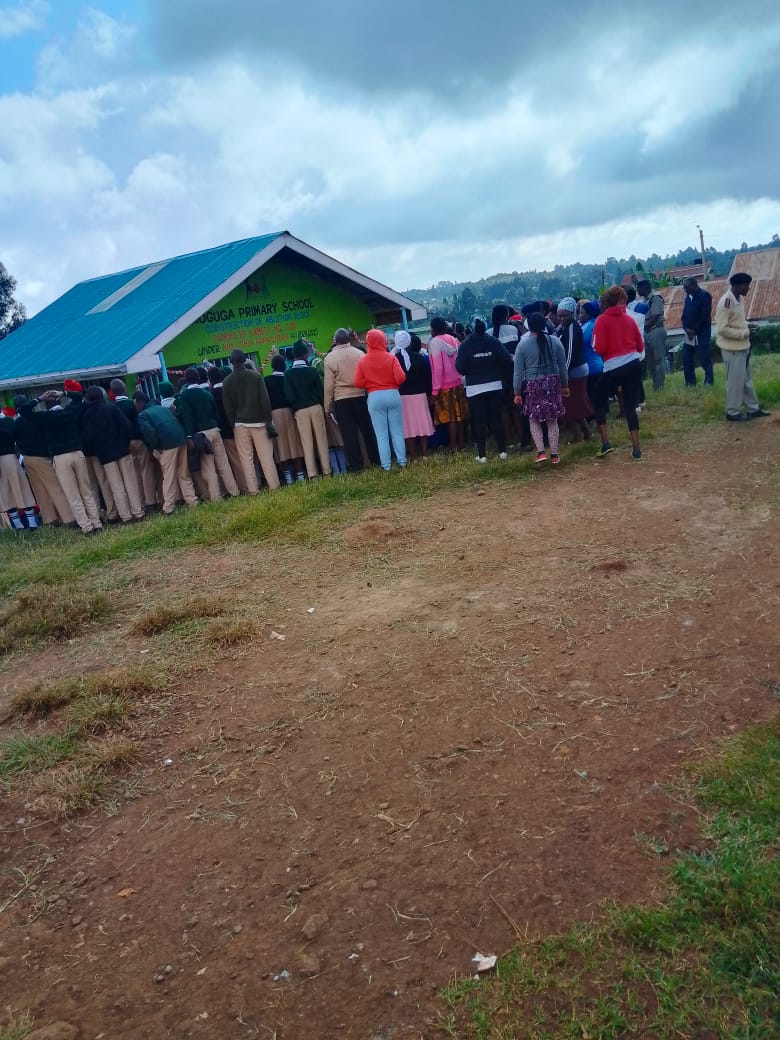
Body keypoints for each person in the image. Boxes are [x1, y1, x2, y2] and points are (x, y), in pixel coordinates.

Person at [591, 285, 645, 460]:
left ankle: (606, 443)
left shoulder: (601, 320)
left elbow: (599, 348)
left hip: (613, 367)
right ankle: (636, 449)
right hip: (633, 364)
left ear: (605, 302)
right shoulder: (629, 319)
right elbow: (640, 345)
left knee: (598, 400)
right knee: (630, 405)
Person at [39, 389, 102, 534]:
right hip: (77, 452)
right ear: (60, 401)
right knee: (86, 490)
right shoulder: (70, 412)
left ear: (45, 405)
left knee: (72, 494)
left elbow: (24, 411)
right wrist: (63, 393)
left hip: (60, 457)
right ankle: (96, 523)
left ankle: (86, 526)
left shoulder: (45, 418)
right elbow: (79, 397)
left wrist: (39, 398)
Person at [79, 386, 145, 523]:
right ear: (102, 396)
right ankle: (138, 512)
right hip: (122, 450)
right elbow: (127, 426)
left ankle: (125, 516)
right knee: (130, 482)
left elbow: (88, 437)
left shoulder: (87, 415)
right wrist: (124, 441)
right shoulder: (112, 408)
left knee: (116, 486)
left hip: (105, 455)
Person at [513, 313, 569, 465]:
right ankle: (554, 454)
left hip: (533, 384)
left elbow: (518, 372)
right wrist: (565, 385)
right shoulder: (555, 341)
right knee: (552, 419)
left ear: (528, 326)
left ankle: (540, 451)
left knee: (533, 418)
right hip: (553, 382)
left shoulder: (523, 345)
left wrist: (517, 392)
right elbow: (562, 367)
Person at [455, 315, 512, 463]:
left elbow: (460, 367)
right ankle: (502, 452)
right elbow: (506, 359)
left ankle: (482, 455)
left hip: (474, 388)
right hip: (494, 385)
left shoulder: (465, 345)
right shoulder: (493, 342)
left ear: (470, 328)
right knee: (496, 418)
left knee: (479, 421)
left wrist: (471, 369)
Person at [221, 348, 280, 492]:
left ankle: (253, 490)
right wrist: (268, 420)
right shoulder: (256, 376)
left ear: (231, 362)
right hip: (259, 422)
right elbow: (265, 401)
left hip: (240, 424)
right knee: (266, 457)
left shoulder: (227, 382)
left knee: (246, 459)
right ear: (245, 360)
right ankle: (274, 486)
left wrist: (233, 424)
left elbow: (228, 407)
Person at [176, 367, 240, 500]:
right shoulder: (207, 393)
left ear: (186, 381)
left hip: (200, 435)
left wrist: (189, 436)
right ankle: (234, 491)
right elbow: (216, 414)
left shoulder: (185, 396)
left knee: (209, 467)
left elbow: (188, 417)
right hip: (214, 430)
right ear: (198, 378)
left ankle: (216, 497)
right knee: (223, 464)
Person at [715, 273, 770, 422]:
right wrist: (745, 333)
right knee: (735, 381)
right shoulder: (726, 302)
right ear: (737, 286)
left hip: (741, 347)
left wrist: (747, 325)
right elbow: (722, 329)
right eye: (747, 285)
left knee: (745, 380)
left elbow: (737, 321)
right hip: (732, 349)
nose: (749, 289)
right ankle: (732, 412)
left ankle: (753, 409)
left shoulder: (738, 299)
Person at [323, 327, 379, 473]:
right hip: (361, 396)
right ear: (349, 339)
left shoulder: (330, 358)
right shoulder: (360, 354)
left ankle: (356, 466)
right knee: (368, 431)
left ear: (335, 341)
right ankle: (375, 461)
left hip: (341, 399)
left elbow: (329, 385)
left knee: (349, 435)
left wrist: (327, 406)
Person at [134, 390, 199, 513]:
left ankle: (168, 508)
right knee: (183, 473)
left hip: (167, 445)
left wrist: (155, 446)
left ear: (139, 402)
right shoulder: (162, 408)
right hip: (181, 439)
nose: (135, 407)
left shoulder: (143, 415)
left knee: (169, 476)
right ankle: (192, 501)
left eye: (135, 404)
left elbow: (149, 433)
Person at [13, 395, 74, 525]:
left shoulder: (16, 423)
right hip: (42, 457)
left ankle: (49, 519)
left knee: (39, 490)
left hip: (27, 458)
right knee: (55, 488)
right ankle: (69, 518)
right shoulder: (38, 418)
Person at [354, 329, 406, 470]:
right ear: (383, 340)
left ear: (369, 342)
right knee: (397, 431)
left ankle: (386, 466)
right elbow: (401, 378)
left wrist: (370, 383)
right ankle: (402, 462)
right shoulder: (391, 357)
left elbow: (357, 382)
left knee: (381, 434)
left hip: (374, 396)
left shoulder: (363, 360)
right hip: (392, 393)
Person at [284, 340, 331, 479]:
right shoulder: (311, 370)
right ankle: (327, 470)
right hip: (315, 407)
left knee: (306, 442)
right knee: (321, 440)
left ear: (293, 356)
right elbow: (321, 390)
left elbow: (289, 396)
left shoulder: (288, 374)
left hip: (300, 411)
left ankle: (312, 473)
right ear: (305, 354)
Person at [110, 378, 158, 511]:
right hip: (139, 440)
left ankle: (140, 502)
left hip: (125, 445)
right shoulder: (134, 404)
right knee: (146, 470)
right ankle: (150, 501)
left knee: (134, 474)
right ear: (124, 388)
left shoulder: (112, 408)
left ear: (113, 392)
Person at [265, 354, 305, 484]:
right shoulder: (289, 376)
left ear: (272, 367)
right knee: (295, 444)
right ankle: (300, 475)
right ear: (284, 365)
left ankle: (288, 478)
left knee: (281, 446)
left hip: (274, 415)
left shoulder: (267, 380)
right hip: (290, 412)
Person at [428, 317, 466, 453]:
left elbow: (438, 369)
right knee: (459, 415)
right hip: (458, 381)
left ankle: (453, 445)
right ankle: (461, 442)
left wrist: (435, 390)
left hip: (444, 385)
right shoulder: (453, 339)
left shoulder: (435, 343)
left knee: (450, 417)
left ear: (434, 328)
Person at [207, 365, 248, 492]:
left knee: (234, 461)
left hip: (225, 431)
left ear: (210, 379)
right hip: (239, 426)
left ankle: (244, 486)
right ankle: (252, 482)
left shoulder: (210, 394)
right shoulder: (230, 390)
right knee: (245, 457)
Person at [556, 297, 591, 443]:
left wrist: (563, 376)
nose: (561, 318)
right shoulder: (564, 328)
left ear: (572, 314)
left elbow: (569, 354)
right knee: (576, 404)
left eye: (565, 315)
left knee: (569, 406)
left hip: (574, 371)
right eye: (560, 315)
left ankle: (578, 436)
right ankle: (586, 432)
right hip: (574, 370)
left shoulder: (572, 328)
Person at [395, 331, 434, 461]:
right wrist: (429, 394)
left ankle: (412, 455)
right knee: (422, 424)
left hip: (403, 397)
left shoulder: (394, 359)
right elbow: (427, 378)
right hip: (420, 395)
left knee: (407, 427)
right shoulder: (419, 358)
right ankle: (424, 453)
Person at [0, 409, 39, 530]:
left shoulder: (7, 422)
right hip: (12, 458)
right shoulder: (9, 421)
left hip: (4, 458)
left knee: (6, 492)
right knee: (22, 488)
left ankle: (18, 525)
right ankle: (32, 522)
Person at [681, 276, 713, 387]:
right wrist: (686, 329)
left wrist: (694, 330)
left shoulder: (705, 296)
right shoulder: (687, 298)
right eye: (684, 288)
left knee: (704, 356)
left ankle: (709, 381)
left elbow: (704, 316)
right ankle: (690, 383)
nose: (685, 290)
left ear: (694, 285)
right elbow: (684, 316)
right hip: (689, 333)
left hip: (702, 331)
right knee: (686, 357)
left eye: (686, 287)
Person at [636, 279, 666, 390]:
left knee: (659, 360)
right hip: (647, 332)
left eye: (639, 288)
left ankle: (660, 386)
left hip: (656, 330)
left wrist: (641, 325)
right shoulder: (643, 301)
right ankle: (655, 384)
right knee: (651, 362)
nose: (638, 290)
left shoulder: (655, 299)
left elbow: (654, 317)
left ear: (646, 288)